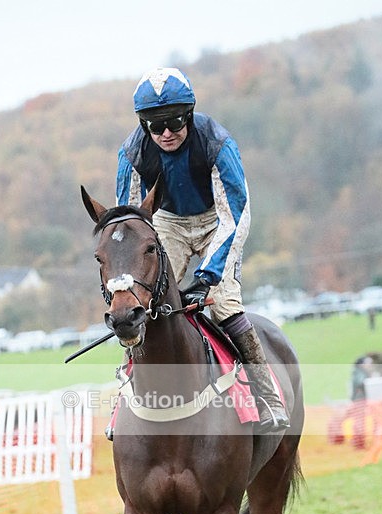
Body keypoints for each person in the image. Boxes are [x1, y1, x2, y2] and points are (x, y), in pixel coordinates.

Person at [116, 67, 289, 431]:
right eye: (155, 125)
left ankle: (266, 396)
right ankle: (125, 397)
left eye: (175, 122)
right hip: (167, 222)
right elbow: (130, 225)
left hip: (217, 220)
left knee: (224, 301)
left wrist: (208, 273)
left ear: (190, 114)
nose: (165, 133)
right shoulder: (132, 153)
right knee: (141, 301)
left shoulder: (217, 143)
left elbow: (235, 216)